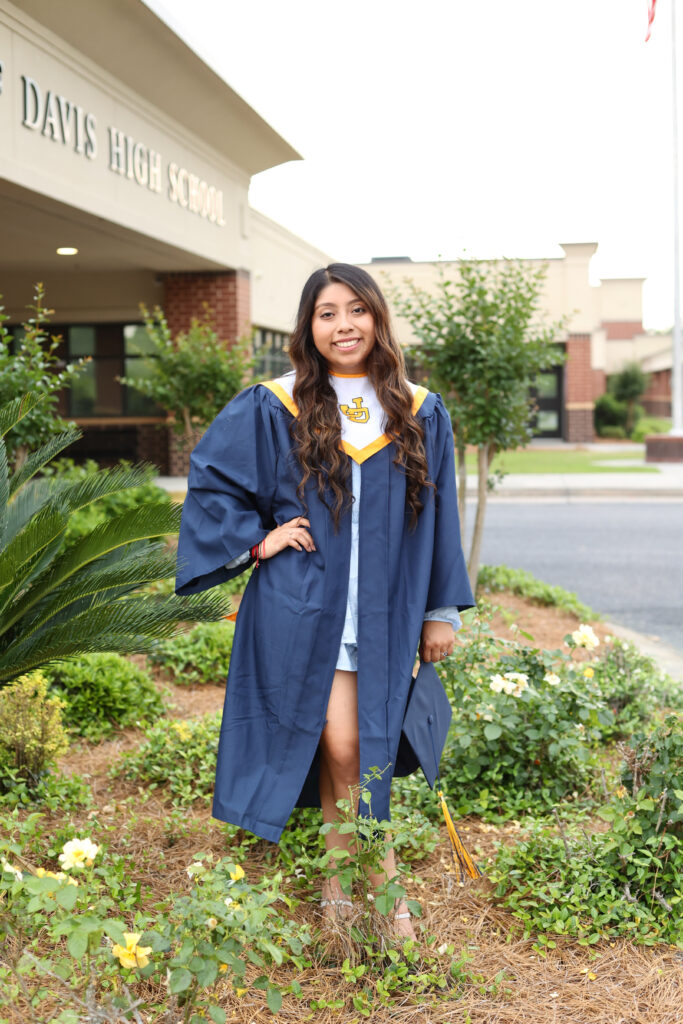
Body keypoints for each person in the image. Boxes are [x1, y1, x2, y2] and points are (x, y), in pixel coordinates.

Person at [175, 263, 474, 939]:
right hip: (304, 607)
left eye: (356, 310)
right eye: (327, 313)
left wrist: (439, 609)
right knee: (346, 745)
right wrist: (258, 542)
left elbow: (440, 516)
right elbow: (211, 481)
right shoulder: (273, 404)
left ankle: (340, 894)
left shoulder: (419, 409)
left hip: (388, 609)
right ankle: (385, 890)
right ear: (308, 327)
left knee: (360, 745)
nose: (343, 325)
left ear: (377, 318)